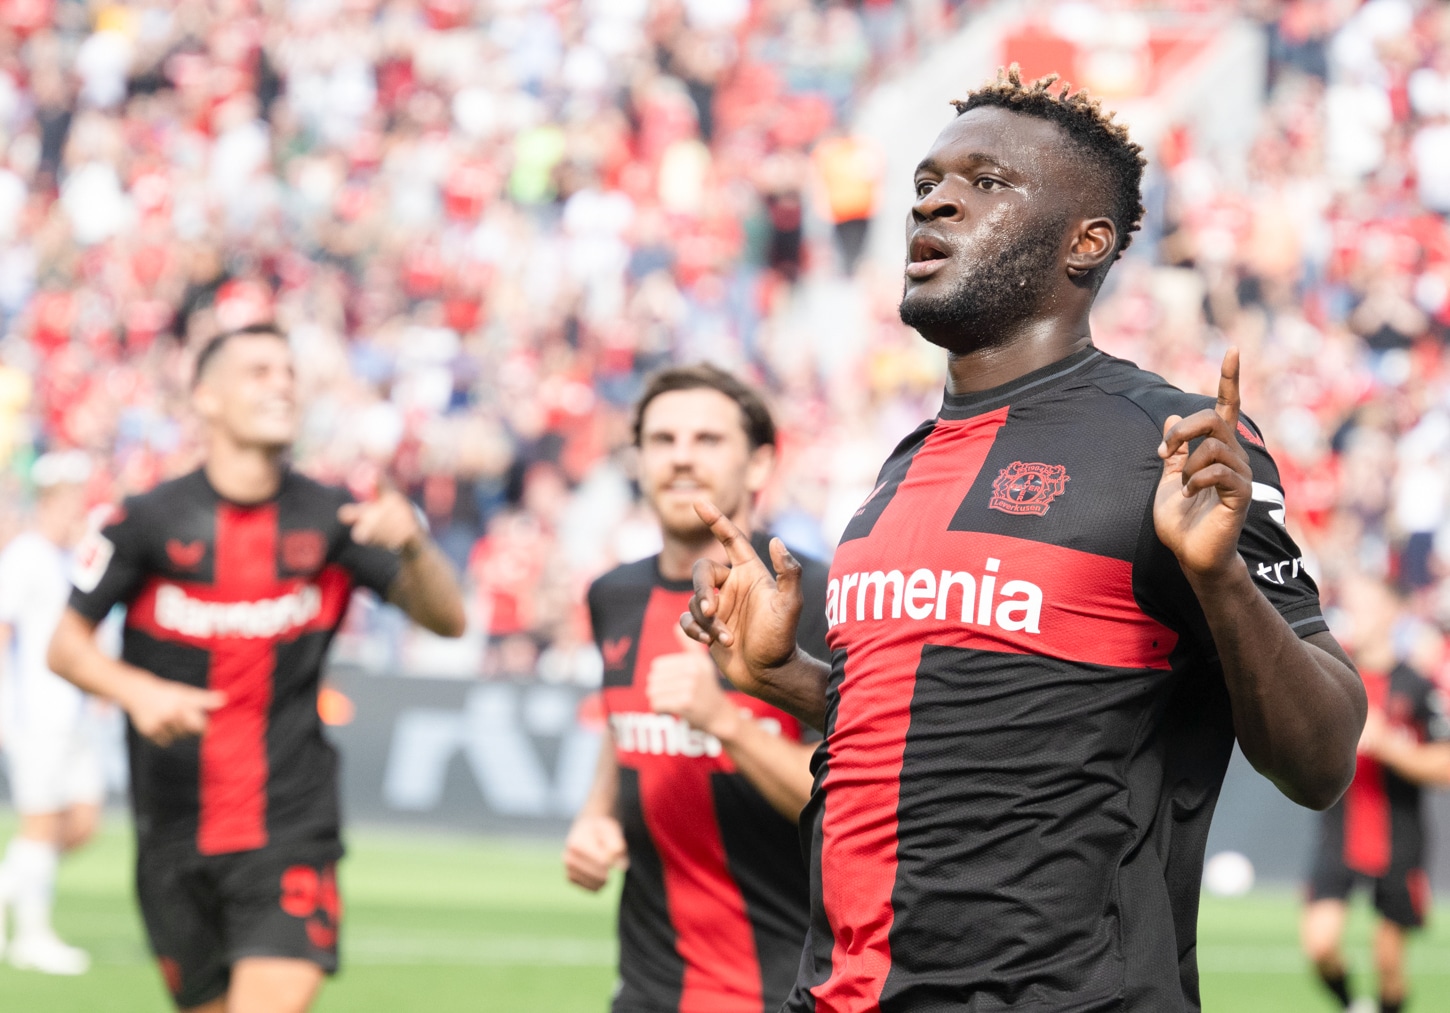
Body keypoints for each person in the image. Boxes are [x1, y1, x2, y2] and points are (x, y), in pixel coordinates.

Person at [681, 67, 1366, 1012]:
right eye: (927, 183)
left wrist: (1222, 581)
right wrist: (785, 680)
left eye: (986, 182)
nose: (937, 201)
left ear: (1087, 243)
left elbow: (1324, 756)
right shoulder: (903, 464)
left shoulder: (1169, 443)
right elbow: (965, 729)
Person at [46, 323, 466, 1013]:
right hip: (172, 830)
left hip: (289, 824)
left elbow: (448, 621)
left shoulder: (334, 516)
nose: (281, 384)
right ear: (206, 398)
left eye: (288, 372)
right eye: (258, 371)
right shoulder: (144, 521)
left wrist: (415, 548)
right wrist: (136, 690)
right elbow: (65, 645)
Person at [564, 364, 830, 1013]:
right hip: (650, 985)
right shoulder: (613, 595)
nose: (681, 457)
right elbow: (623, 717)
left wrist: (726, 721)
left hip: (790, 986)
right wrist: (598, 812)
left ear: (760, 462)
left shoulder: (820, 596)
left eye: (708, 440)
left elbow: (856, 801)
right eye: (662, 440)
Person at [1302, 576, 1450, 1013]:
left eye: (1365, 604)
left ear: (1391, 612)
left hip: (1399, 836)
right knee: (1320, 944)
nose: (1353, 615)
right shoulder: (1332, 674)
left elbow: (1444, 765)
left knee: (1388, 960)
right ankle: (1352, 1005)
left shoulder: (1418, 688)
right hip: (1340, 831)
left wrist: (1389, 746)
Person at [0, 450, 105, 974]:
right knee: (39, 824)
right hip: (33, 713)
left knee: (84, 821)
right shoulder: (25, 556)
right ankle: (31, 935)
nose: (75, 512)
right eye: (67, 502)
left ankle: (8, 888)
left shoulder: (72, 557)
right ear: (47, 503)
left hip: (75, 713)